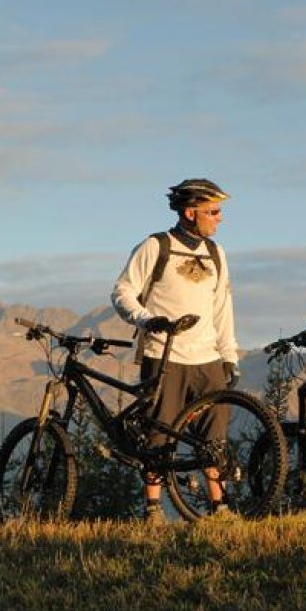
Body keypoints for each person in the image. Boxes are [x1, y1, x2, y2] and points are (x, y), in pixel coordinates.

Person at [111, 178, 240, 523]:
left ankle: (220, 507)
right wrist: (145, 319)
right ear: (189, 212)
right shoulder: (156, 247)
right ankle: (152, 510)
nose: (219, 218)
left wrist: (229, 355)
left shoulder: (216, 253)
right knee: (158, 431)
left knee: (214, 435)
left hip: (207, 358)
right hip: (164, 356)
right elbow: (123, 292)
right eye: (213, 211)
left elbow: (222, 307)